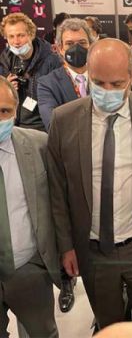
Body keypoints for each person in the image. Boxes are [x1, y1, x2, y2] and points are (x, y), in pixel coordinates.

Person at [47, 38, 132, 330]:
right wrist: (66, 246)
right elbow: (57, 190)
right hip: (92, 248)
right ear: (87, 74)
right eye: (98, 82)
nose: (106, 91)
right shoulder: (64, 119)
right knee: (110, 324)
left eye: (116, 84)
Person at [0, 76, 60, 337]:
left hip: (29, 268)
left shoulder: (39, 145)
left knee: (42, 333)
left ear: (16, 111)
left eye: (4, 111)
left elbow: (58, 203)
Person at [0, 12, 62, 131]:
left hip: (42, 127)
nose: (16, 42)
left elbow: (59, 99)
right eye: (11, 36)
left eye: (21, 35)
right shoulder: (5, 60)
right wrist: (6, 90)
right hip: (12, 126)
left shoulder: (51, 60)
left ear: (31, 34)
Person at [38, 18, 94, 132]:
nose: (77, 48)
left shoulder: (106, 77)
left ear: (91, 45)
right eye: (69, 44)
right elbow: (53, 126)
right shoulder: (47, 84)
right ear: (60, 48)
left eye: (82, 43)